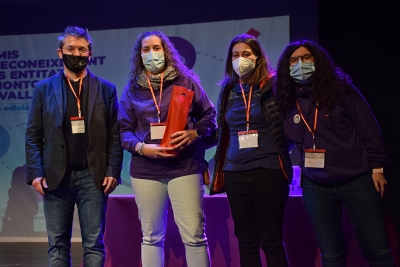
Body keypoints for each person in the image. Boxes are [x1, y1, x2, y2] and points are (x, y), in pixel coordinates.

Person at [274, 39, 396, 267]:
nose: (300, 64)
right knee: (331, 255)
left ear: (318, 61)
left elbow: (368, 128)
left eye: (306, 58)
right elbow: (285, 140)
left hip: (357, 180)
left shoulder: (341, 91)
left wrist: (377, 167)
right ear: (287, 68)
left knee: (377, 251)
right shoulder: (287, 102)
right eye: (293, 60)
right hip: (316, 186)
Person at [25, 26, 123, 267]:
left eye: (82, 49)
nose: (76, 53)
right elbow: (33, 135)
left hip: (94, 177)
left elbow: (115, 135)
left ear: (90, 54)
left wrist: (113, 170)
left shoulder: (106, 89)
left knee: (94, 244)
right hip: (56, 176)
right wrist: (36, 172)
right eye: (71, 48)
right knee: (57, 245)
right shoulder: (43, 89)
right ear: (60, 52)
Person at [118, 30, 216, 267]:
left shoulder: (187, 82)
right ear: (139, 56)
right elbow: (123, 132)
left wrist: (195, 132)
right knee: (151, 237)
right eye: (146, 50)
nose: (152, 54)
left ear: (166, 52)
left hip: (185, 167)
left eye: (156, 48)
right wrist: (142, 148)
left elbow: (210, 117)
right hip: (146, 171)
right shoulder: (132, 90)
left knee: (194, 236)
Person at [209, 34, 293, 267]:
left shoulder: (274, 86)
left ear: (257, 58)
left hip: (268, 170)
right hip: (235, 172)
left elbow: (288, 127)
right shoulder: (228, 90)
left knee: (271, 240)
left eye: (246, 54)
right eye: (235, 55)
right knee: (246, 241)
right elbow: (222, 132)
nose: (240, 59)